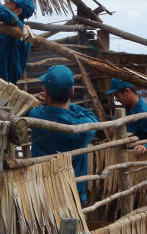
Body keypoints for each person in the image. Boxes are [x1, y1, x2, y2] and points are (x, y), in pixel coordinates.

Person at [26, 65, 99, 203]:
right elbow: (92, 116)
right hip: (72, 195)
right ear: (72, 92)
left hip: (42, 192)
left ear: (45, 92)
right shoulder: (84, 126)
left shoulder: (35, 116)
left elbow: (40, 109)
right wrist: (69, 104)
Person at [104, 79, 147, 157]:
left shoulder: (145, 114)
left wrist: (145, 146)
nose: (117, 100)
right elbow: (115, 121)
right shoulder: (124, 110)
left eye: (117, 96)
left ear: (127, 91)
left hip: (137, 158)